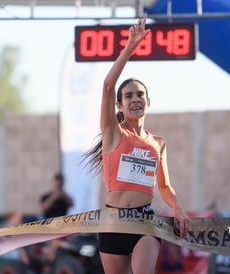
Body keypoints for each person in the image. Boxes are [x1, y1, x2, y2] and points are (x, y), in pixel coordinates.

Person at [83, 14, 190, 274]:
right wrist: (131, 46)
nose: (135, 99)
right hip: (113, 224)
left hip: (145, 222)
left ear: (148, 103)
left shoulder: (158, 144)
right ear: (119, 105)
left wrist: (177, 208)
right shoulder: (113, 134)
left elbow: (164, 186)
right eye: (128, 96)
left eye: (140, 95)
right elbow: (108, 86)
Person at [39, 173, 74, 273]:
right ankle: (48, 265)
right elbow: (43, 208)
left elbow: (71, 203)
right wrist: (54, 196)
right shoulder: (47, 196)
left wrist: (62, 194)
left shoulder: (64, 197)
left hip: (63, 228)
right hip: (49, 229)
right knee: (54, 243)